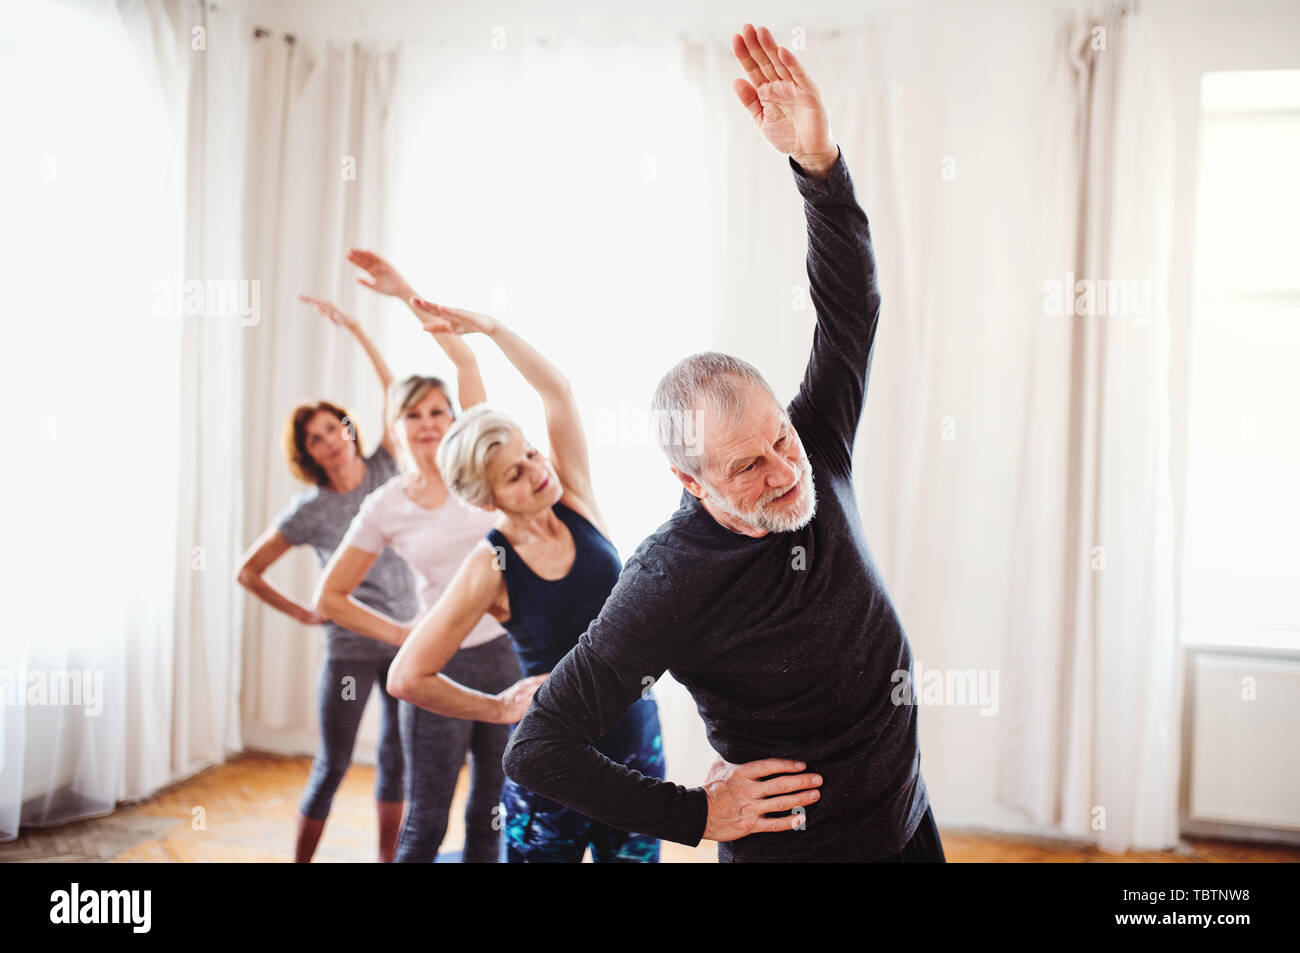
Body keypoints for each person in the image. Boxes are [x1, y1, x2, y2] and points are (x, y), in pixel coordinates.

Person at [498, 24, 944, 863]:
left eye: (780, 438)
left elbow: (852, 306)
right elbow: (541, 745)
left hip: (908, 819)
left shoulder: (814, 446)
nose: (785, 471)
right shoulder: (668, 578)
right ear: (691, 481)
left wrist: (818, 164)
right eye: (748, 464)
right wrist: (698, 816)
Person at [384, 298, 665, 863]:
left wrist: (492, 328)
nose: (539, 472)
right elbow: (407, 675)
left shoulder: (575, 497)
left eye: (531, 454)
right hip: (553, 764)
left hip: (634, 744)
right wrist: (496, 708)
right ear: (488, 498)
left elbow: (556, 390)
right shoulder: (491, 567)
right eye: (516, 474)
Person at [314, 251, 528, 863]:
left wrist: (404, 292)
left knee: (494, 808)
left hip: (508, 657)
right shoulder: (384, 504)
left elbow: (462, 355)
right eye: (414, 414)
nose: (431, 423)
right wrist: (407, 632)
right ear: (394, 424)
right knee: (426, 817)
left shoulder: (479, 471)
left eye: (440, 412)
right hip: (437, 667)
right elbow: (329, 598)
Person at [234, 294, 417, 863]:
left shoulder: (386, 465)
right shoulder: (308, 509)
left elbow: (396, 394)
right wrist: (301, 611)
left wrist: (358, 328)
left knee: (397, 758)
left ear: (348, 428)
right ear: (308, 453)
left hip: (408, 637)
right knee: (334, 762)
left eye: (334, 427)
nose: (331, 440)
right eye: (316, 437)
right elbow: (249, 570)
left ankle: (388, 861)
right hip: (351, 649)